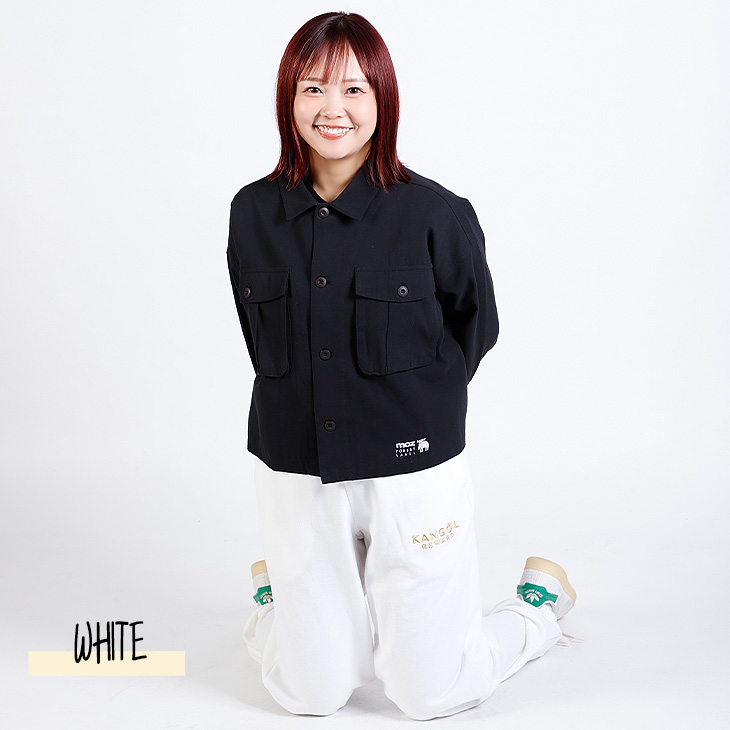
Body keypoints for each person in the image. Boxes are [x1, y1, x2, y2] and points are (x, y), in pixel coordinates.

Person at [226, 11, 577, 721]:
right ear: (287, 98)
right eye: (313, 88)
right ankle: (278, 602)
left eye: (354, 89)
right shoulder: (251, 211)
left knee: (430, 693)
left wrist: (410, 403)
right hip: (296, 466)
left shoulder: (436, 213)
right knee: (308, 694)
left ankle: (537, 608)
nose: (332, 108)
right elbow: (258, 337)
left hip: (411, 470)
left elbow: (476, 326)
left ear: (383, 98)